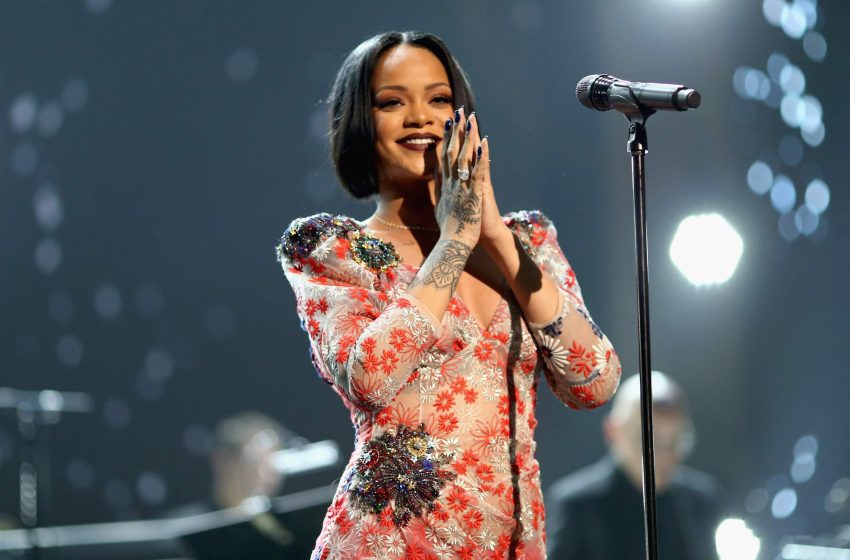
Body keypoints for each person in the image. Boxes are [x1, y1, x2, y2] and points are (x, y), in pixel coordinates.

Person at [277, 31, 622, 559]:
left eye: (439, 99)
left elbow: (594, 381)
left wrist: (495, 237)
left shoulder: (527, 241)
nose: (420, 117)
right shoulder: (334, 250)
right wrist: (455, 240)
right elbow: (369, 377)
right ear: (359, 123)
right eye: (392, 102)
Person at [546, 371, 722, 560]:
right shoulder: (577, 507)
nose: (662, 455)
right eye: (648, 441)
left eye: (675, 442)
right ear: (613, 432)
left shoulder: (703, 502)